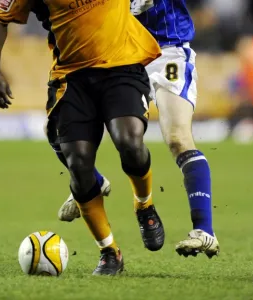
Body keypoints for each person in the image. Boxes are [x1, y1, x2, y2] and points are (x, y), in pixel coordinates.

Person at [0, 0, 164, 276]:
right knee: (79, 164)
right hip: (72, 78)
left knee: (129, 142)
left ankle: (144, 205)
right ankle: (109, 252)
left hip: (122, 66)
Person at [59, 0, 220, 258]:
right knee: (72, 121)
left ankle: (204, 231)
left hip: (167, 50)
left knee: (178, 138)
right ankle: (93, 181)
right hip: (119, 52)